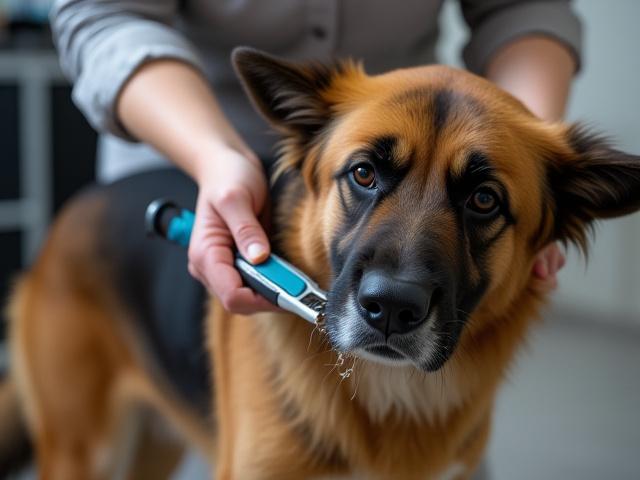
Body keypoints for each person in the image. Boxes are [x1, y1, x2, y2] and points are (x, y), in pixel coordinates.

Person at [50, 0, 577, 320]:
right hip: (182, 143)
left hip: (383, 138)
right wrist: (215, 156)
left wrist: (524, 166)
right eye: (368, 175)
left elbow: (524, 7)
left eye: (486, 199)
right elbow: (104, 12)